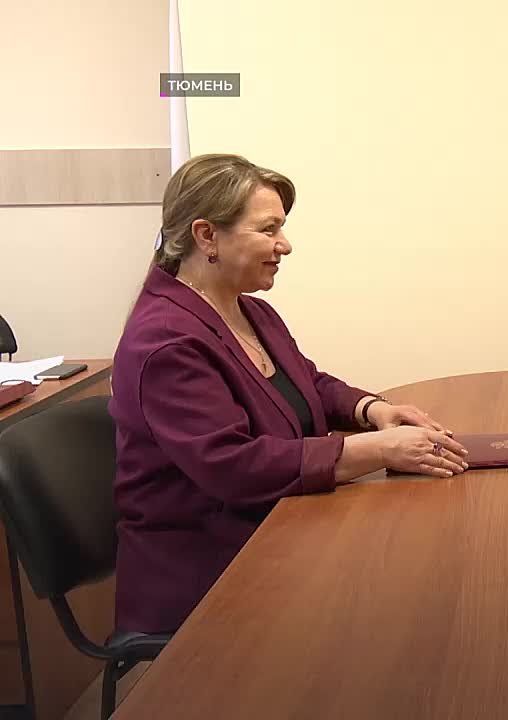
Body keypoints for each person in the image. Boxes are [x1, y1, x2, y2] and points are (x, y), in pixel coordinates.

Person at [110, 154, 470, 634]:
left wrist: (372, 410)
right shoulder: (164, 342)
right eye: (269, 229)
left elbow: (307, 383)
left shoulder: (249, 311)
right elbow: (233, 466)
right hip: (211, 578)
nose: (285, 244)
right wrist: (378, 450)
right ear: (207, 236)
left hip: (279, 533)